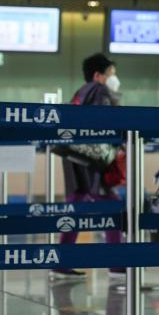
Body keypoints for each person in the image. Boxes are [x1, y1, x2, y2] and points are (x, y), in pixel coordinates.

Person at [51, 53, 125, 279]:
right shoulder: (100, 90)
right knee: (111, 206)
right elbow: (104, 121)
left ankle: (62, 261)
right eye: (111, 73)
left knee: (75, 206)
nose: (114, 78)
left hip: (73, 155)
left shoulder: (80, 92)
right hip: (91, 160)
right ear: (98, 75)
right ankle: (116, 263)